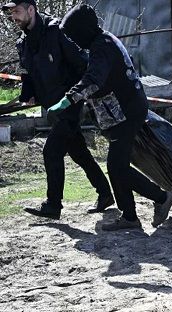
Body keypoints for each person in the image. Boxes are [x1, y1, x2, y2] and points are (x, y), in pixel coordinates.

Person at [58, 4, 172, 231]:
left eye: (73, 34)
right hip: (124, 111)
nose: (73, 40)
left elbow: (94, 79)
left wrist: (70, 98)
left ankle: (160, 198)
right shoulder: (102, 41)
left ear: (83, 29)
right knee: (116, 165)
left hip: (128, 112)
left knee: (116, 165)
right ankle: (130, 216)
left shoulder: (102, 46)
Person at [2, 0, 114, 220]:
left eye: (17, 11)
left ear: (31, 10)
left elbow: (82, 64)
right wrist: (27, 95)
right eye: (11, 13)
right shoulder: (23, 42)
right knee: (79, 152)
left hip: (70, 104)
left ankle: (53, 205)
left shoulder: (57, 31)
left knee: (51, 151)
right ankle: (105, 193)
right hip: (51, 107)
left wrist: (76, 97)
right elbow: (28, 74)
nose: (13, 17)